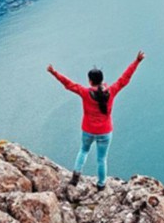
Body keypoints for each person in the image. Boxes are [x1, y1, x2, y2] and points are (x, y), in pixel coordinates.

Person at [47, 51, 145, 190]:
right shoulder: (112, 91)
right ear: (101, 79)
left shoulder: (85, 92)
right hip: (105, 132)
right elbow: (125, 78)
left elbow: (68, 84)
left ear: (90, 81)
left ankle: (75, 178)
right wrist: (137, 61)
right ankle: (101, 184)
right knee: (101, 159)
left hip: (88, 130)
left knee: (83, 151)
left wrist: (54, 72)